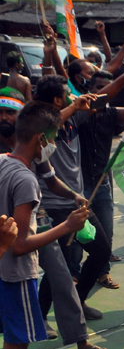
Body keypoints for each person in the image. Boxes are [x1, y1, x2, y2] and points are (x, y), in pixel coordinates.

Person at [0, 101, 92, 349]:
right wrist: (67, 226)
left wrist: (73, 196)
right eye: (52, 139)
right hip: (15, 275)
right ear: (41, 140)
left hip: (2, 270)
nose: (54, 145)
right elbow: (20, 246)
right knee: (17, 342)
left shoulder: (2, 162)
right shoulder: (25, 179)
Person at [32, 76, 111, 322]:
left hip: (76, 203)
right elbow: (46, 129)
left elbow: (102, 98)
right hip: (53, 208)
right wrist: (75, 106)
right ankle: (40, 317)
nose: (74, 96)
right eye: (69, 94)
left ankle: (78, 299)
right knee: (60, 269)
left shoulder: (73, 118)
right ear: (57, 100)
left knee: (101, 251)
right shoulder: (38, 125)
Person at [75, 65, 124, 291]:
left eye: (106, 89)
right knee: (76, 233)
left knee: (105, 231)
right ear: (89, 90)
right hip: (78, 185)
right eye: (98, 88)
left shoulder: (112, 114)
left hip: (101, 184)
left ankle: (102, 272)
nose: (102, 93)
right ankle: (74, 274)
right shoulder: (78, 115)